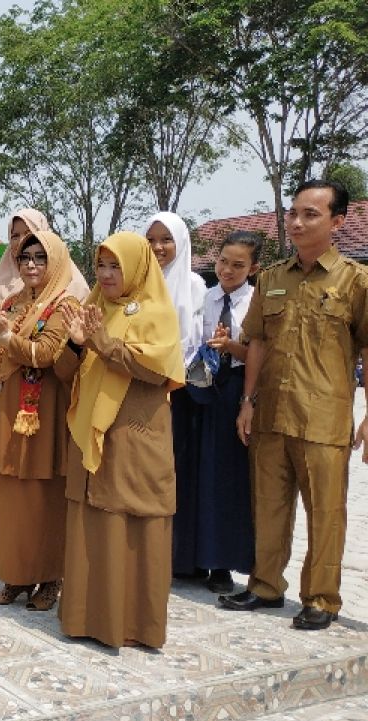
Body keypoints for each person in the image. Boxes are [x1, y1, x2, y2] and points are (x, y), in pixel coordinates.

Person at [220, 179, 368, 631]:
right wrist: (247, 402)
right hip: (270, 413)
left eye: (311, 214)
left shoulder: (356, 282)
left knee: (326, 512)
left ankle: (321, 598)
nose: (297, 222)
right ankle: (265, 585)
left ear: (337, 222)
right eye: (293, 213)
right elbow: (258, 343)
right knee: (268, 504)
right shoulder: (273, 278)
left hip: (323, 418)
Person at [56, 231, 184, 649]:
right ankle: (83, 618)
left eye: (116, 266)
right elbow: (64, 371)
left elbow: (158, 370)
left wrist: (104, 344)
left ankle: (134, 626)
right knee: (90, 517)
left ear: (137, 268)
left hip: (133, 432)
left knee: (131, 516)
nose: (107, 275)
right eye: (101, 266)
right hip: (91, 429)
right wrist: (76, 347)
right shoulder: (92, 306)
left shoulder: (155, 312)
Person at [0, 231, 80, 611]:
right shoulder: (15, 301)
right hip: (7, 414)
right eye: (24, 257)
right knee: (12, 500)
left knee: (42, 500)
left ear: (56, 261)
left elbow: (47, 354)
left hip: (41, 419)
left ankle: (50, 579)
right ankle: (16, 576)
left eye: (39, 257)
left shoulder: (65, 306)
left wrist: (3, 336)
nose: (31, 265)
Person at [185, 232, 262, 594]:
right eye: (223, 261)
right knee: (196, 472)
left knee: (226, 478)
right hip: (200, 389)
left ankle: (223, 563)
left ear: (253, 268)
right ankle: (192, 557)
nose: (227, 270)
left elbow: (260, 356)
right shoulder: (205, 297)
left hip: (235, 390)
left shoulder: (256, 302)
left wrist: (231, 345)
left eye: (238, 265)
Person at [144, 211, 208, 583]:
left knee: (178, 473)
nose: (157, 248)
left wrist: (168, 375)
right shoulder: (135, 284)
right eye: (151, 240)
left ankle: (182, 556)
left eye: (165, 240)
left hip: (179, 392)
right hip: (142, 389)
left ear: (181, 243)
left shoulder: (195, 285)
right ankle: (151, 552)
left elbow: (195, 340)